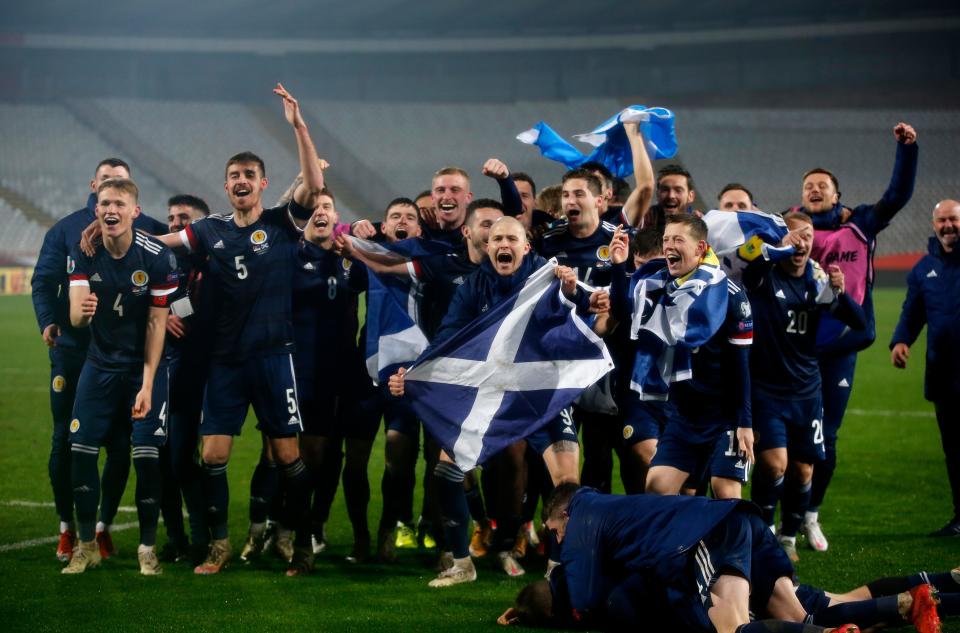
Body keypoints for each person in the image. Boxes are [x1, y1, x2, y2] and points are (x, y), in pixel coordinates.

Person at [142, 83, 325, 575]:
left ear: (264, 183)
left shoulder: (283, 223)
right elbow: (162, 241)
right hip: (225, 360)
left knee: (288, 455)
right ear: (225, 187)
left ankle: (302, 545)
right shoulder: (210, 230)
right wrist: (117, 231)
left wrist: (299, 127)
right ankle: (219, 546)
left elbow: (312, 184)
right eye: (233, 175)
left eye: (249, 174)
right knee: (212, 453)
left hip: (272, 355)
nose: (240, 180)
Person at [388, 216, 599, 587]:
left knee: (567, 483)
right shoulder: (474, 286)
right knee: (447, 470)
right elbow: (448, 338)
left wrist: (577, 294)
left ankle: (556, 566)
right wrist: (415, 373)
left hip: (542, 394)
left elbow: (588, 300)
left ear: (526, 246)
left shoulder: (549, 275)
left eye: (511, 238)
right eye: (497, 238)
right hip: (495, 394)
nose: (504, 244)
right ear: (488, 248)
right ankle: (462, 564)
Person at [31, 158, 166, 563]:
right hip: (76, 353)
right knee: (67, 439)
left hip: (128, 357)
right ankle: (68, 529)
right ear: (94, 188)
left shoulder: (150, 234)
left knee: (124, 445)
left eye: (120, 189)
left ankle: (103, 527)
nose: (112, 203)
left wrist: (183, 313)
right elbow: (43, 280)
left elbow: (180, 257)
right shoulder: (66, 231)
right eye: (106, 188)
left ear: (133, 199)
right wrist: (49, 321)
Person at [795, 122, 918, 551]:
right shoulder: (789, 229)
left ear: (836, 194)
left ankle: (811, 515)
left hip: (841, 343)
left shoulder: (860, 223)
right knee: (781, 436)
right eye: (809, 185)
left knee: (826, 438)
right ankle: (780, 519)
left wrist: (908, 150)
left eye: (822, 185)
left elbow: (897, 197)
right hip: (798, 344)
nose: (814, 190)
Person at [530, 483, 861, 633]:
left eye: (555, 530)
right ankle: (905, 599)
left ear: (564, 512)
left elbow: (585, 599)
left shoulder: (583, 520)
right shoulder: (611, 510)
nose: (559, 540)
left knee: (732, 628)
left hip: (709, 535)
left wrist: (547, 598)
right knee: (805, 608)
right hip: (733, 522)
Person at [63, 177, 177, 575]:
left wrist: (147, 386)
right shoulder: (84, 252)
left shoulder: (157, 257)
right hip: (99, 365)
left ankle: (147, 549)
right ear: (95, 209)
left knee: (146, 459)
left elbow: (156, 326)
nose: (110, 210)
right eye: (104, 203)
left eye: (119, 204)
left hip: (143, 367)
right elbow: (76, 316)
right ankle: (86, 545)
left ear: (135, 212)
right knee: (80, 451)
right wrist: (83, 311)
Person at [744, 212, 866, 562]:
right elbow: (749, 264)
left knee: (802, 469)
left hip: (807, 392)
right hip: (767, 391)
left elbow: (858, 323)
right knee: (774, 465)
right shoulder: (764, 275)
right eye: (793, 235)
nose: (800, 241)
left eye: (807, 235)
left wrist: (840, 294)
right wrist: (774, 248)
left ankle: (788, 535)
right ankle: (763, 528)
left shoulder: (817, 279)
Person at [608, 218, 755, 500]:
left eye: (678, 240)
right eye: (666, 240)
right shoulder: (658, 285)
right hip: (684, 416)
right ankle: (685, 545)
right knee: (656, 489)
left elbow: (741, 367)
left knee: (726, 493)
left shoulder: (730, 296)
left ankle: (741, 544)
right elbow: (623, 314)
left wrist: (744, 424)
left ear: (700, 248)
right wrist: (618, 266)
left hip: (723, 416)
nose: (669, 247)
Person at [890, 199, 960, 536]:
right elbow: (913, 311)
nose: (948, 226)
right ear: (934, 224)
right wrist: (901, 340)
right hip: (944, 373)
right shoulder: (924, 268)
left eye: (954, 220)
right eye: (942, 220)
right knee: (954, 450)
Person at [158, 194, 212, 565]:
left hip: (193, 375)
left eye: (184, 218)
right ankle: (176, 540)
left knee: (181, 460)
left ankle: (201, 538)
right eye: (172, 218)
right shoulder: (162, 264)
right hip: (157, 372)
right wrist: (159, 317)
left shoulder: (213, 266)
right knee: (160, 463)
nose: (176, 223)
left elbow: (205, 320)